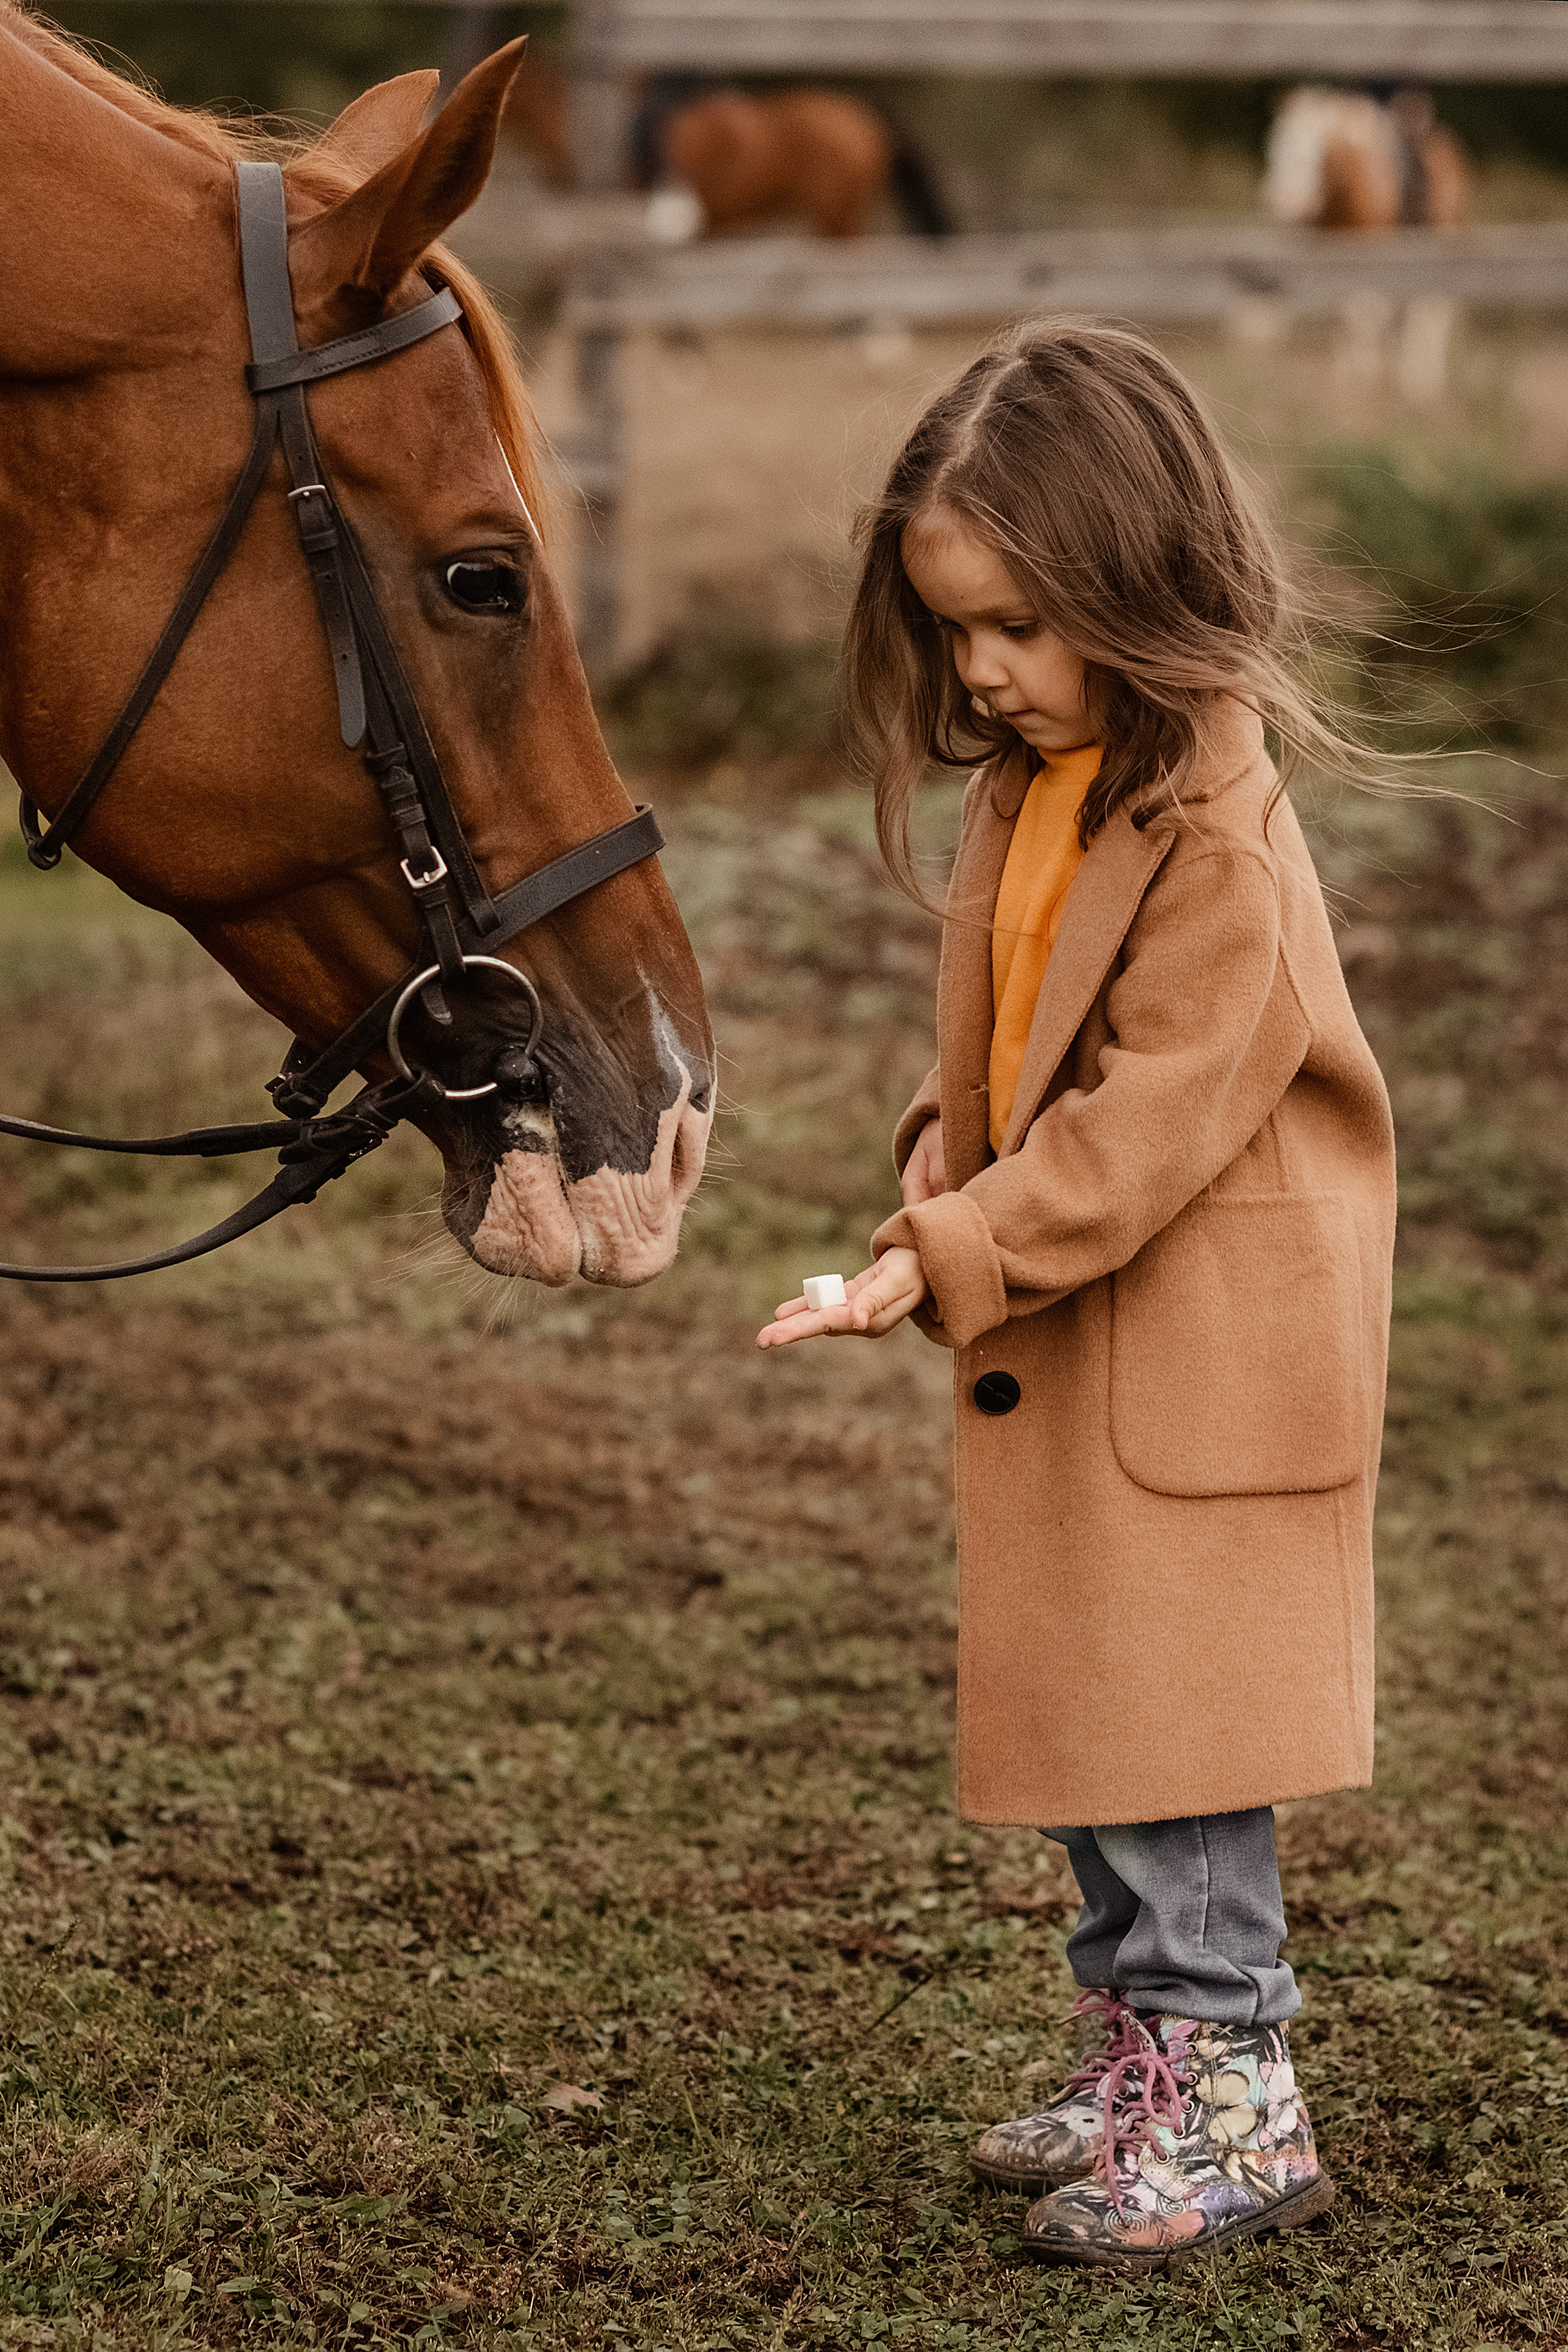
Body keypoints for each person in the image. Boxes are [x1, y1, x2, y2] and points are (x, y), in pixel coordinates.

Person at [757, 322, 1396, 2272]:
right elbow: (1034, 1045)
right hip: (1091, 1323)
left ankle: (1227, 2092)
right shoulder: (1042, 782)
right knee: (1098, 1717)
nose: (981, 670)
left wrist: (941, 1253)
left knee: (1172, 1736)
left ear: (1136, 582)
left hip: (1191, 1348)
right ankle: (1137, 2051)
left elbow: (1143, 1119)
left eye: (1020, 625)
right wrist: (945, 1143)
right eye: (954, 629)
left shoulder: (1219, 835)